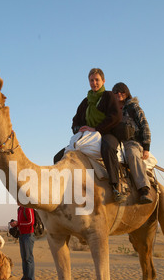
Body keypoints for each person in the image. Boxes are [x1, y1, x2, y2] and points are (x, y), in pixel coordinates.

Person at [54, 68, 125, 203]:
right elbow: (75, 121)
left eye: (97, 80)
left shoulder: (109, 96)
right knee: (58, 157)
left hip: (107, 133)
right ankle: (62, 192)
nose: (94, 83)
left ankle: (116, 187)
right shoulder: (85, 102)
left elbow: (115, 117)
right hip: (88, 136)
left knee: (107, 148)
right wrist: (79, 129)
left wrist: (96, 129)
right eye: (91, 80)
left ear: (103, 81)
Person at [112, 83, 153, 204]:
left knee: (132, 155)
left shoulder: (133, 107)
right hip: (117, 141)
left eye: (122, 92)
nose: (119, 94)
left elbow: (145, 125)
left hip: (132, 142)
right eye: (116, 92)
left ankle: (144, 189)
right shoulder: (112, 111)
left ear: (127, 92)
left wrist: (146, 147)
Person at [10, 206, 35, 280]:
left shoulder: (28, 208)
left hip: (28, 235)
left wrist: (18, 223)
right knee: (24, 258)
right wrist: (15, 224)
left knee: (28, 258)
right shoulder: (19, 209)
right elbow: (21, 222)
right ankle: (25, 278)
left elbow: (31, 222)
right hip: (21, 235)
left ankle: (30, 279)